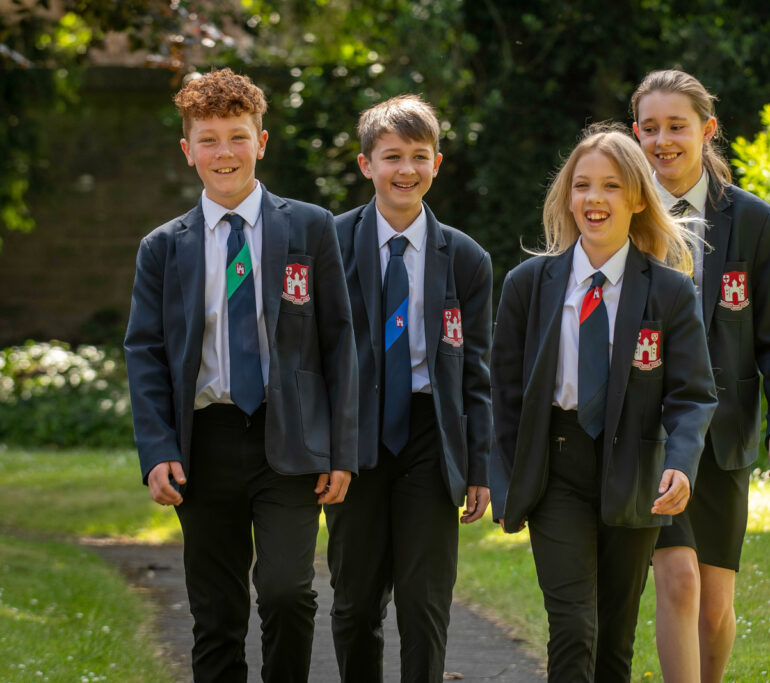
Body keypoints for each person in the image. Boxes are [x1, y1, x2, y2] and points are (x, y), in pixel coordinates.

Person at [123, 68, 359, 682]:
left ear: (262, 141)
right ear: (187, 150)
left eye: (237, 136)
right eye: (208, 139)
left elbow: (339, 342)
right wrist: (157, 450)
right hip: (205, 444)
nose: (223, 152)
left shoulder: (310, 227)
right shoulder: (163, 247)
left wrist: (342, 448)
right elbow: (144, 353)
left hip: (291, 439)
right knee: (217, 611)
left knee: (287, 591)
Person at [489, 122, 718, 682]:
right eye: (583, 185)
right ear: (568, 197)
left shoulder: (669, 292)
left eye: (612, 186)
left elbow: (692, 395)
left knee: (615, 640)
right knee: (573, 628)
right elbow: (504, 394)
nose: (595, 199)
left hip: (633, 474)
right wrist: (500, 477)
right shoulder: (528, 284)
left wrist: (681, 465)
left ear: (638, 198)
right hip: (556, 470)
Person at [631, 69, 770, 683]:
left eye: (676, 126)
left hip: (726, 431)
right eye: (650, 128)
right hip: (648, 430)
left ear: (706, 131)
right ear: (635, 133)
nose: (663, 141)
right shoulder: (620, 212)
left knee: (714, 608)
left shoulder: (753, 220)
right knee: (677, 582)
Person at [325, 94, 493, 683]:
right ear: (367, 163)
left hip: (430, 436)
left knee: (425, 602)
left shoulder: (465, 258)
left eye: (419, 156)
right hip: (355, 439)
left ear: (437, 164)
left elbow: (478, 372)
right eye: (392, 156)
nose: (406, 170)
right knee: (354, 601)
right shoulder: (331, 244)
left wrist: (480, 464)